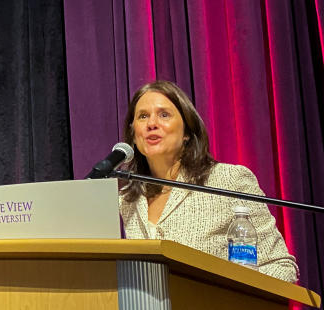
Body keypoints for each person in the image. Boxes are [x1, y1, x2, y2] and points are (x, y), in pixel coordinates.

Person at [118, 80, 299, 283]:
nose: (152, 123)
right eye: (143, 116)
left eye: (164, 115)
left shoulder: (228, 180)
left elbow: (281, 267)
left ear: (187, 132)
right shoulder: (128, 200)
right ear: (133, 134)